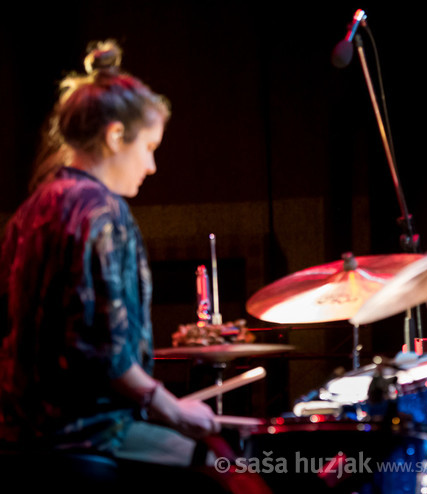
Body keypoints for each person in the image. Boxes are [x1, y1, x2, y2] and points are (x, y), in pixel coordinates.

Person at [0, 41, 266, 492]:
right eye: (148, 147)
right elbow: (105, 354)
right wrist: (174, 409)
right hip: (90, 435)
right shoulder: (102, 212)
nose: (152, 165)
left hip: (18, 436)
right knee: (231, 472)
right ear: (114, 136)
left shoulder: (32, 209)